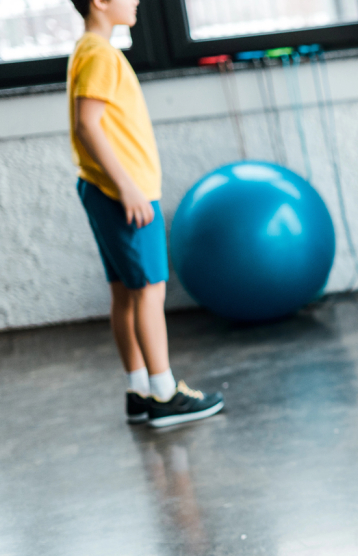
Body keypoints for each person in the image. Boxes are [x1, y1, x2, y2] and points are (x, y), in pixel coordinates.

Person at [68, 0, 223, 427]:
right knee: (149, 291)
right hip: (123, 195)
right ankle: (165, 392)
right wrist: (128, 188)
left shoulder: (87, 49)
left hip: (103, 189)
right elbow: (88, 124)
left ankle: (139, 389)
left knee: (125, 290)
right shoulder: (100, 54)